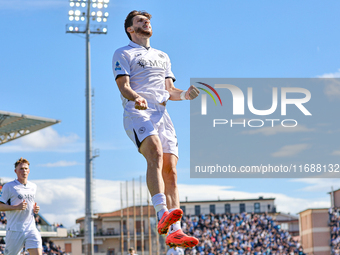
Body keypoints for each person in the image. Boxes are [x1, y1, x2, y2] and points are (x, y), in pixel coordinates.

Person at [112, 10, 199, 248]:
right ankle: (161, 213)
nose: (146, 22)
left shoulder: (163, 56)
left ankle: (176, 231)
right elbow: (124, 85)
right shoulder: (123, 52)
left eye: (147, 20)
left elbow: (170, 91)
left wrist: (185, 95)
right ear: (130, 28)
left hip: (162, 113)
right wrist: (136, 98)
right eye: (140, 20)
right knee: (156, 153)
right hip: (138, 110)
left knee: (170, 170)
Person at [0, 158, 42, 255]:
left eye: (26, 168)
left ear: (29, 170)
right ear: (15, 171)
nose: (24, 171)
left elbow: (30, 204)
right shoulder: (9, 186)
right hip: (15, 229)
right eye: (21, 169)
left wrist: (35, 209)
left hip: (31, 228)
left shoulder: (33, 186)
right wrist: (16, 207)